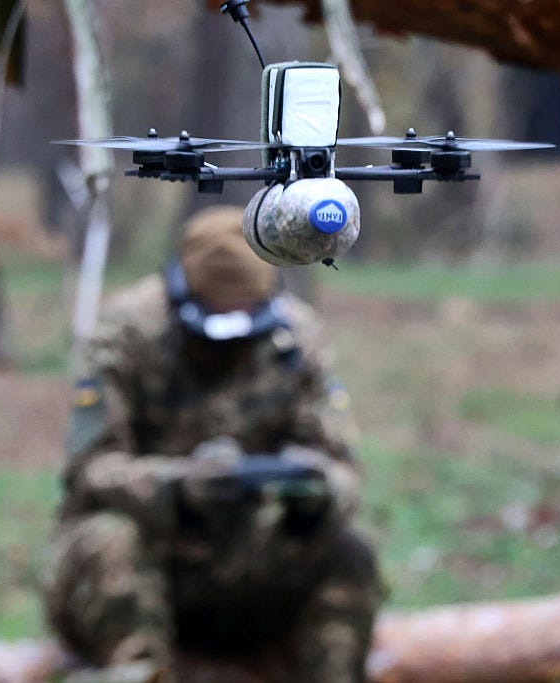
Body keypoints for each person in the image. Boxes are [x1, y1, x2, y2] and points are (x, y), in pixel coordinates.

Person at [44, 205, 382, 682]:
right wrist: (178, 488)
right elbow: (89, 471)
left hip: (251, 567)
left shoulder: (295, 340)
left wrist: (314, 493)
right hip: (150, 563)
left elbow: (344, 469)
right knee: (107, 539)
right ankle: (139, 671)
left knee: (348, 550)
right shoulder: (128, 334)